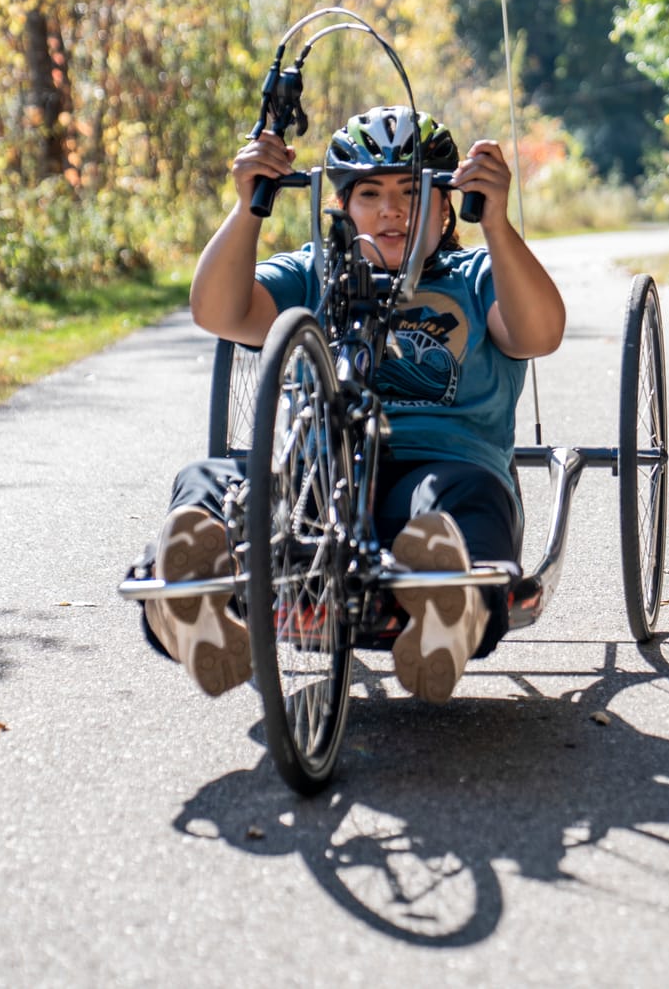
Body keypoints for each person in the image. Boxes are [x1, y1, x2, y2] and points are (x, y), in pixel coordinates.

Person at [135, 106, 566, 703]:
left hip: (441, 471)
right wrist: (247, 208)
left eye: (413, 191)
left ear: (449, 205)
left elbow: (539, 333)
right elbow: (220, 313)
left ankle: (451, 600)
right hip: (319, 488)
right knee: (208, 478)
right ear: (341, 207)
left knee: (449, 500)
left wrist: (497, 225)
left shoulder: (477, 274)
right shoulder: (313, 272)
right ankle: (192, 593)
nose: (391, 209)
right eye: (370, 192)